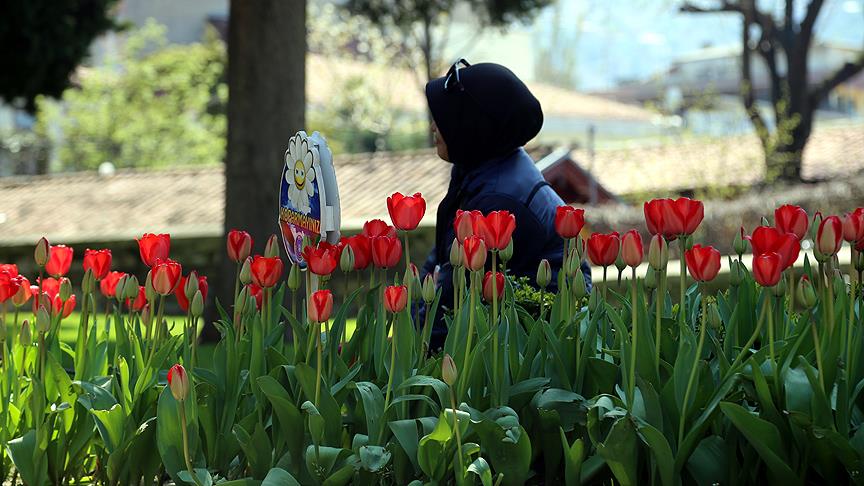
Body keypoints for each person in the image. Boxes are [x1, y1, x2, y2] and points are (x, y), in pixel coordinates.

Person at [420, 59, 592, 351]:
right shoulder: (484, 167)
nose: (434, 126)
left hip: (531, 349)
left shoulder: (498, 201)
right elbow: (439, 264)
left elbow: (448, 301)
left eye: (445, 118)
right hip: (504, 336)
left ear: (472, 128)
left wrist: (412, 347)